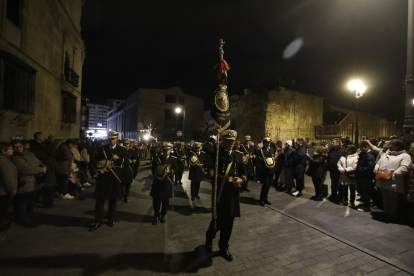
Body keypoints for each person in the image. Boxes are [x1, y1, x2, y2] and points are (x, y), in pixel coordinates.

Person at [204, 127, 247, 261]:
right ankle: (209, 239)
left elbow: (245, 173)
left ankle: (223, 248)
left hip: (233, 194)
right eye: (228, 140)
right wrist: (215, 135)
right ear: (222, 141)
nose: (231, 143)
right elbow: (207, 147)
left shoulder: (238, 155)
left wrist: (242, 180)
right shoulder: (217, 152)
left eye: (232, 141)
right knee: (217, 222)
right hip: (220, 192)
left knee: (229, 224)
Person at [90, 131, 126, 231]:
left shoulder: (122, 149)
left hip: (115, 177)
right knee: (100, 200)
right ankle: (98, 221)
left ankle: (110, 219)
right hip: (104, 177)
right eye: (110, 139)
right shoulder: (102, 149)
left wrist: (118, 159)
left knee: (113, 200)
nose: (111, 140)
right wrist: (103, 163)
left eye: (113, 139)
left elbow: (126, 162)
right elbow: (95, 162)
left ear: (116, 139)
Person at [10, 140, 47, 223]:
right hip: (25, 182)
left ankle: (29, 213)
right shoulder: (15, 158)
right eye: (15, 147)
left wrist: (43, 166)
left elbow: (38, 161)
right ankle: (21, 216)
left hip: (33, 181)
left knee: (31, 199)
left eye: (19, 146)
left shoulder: (29, 154)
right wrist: (41, 169)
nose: (18, 148)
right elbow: (26, 169)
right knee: (23, 201)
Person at [374, 139, 411, 220]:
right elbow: (378, 162)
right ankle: (385, 212)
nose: (390, 146)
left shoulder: (405, 156)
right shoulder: (386, 153)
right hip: (382, 179)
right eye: (390, 144)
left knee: (393, 199)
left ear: (399, 146)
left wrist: (392, 175)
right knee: (385, 197)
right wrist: (377, 169)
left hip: (393, 181)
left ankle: (391, 214)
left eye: (393, 145)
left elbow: (404, 167)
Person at [150, 143, 177, 224]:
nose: (166, 151)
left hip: (167, 182)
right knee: (156, 201)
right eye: (164, 150)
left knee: (165, 201)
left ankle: (163, 215)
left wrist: (170, 171)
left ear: (170, 150)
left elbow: (176, 169)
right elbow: (152, 170)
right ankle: (156, 215)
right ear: (162, 150)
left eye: (168, 150)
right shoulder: (157, 158)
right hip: (158, 182)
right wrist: (159, 169)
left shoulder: (173, 159)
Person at [0, 143, 18, 239]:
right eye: (10, 149)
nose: (13, 150)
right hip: (2, 191)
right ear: (4, 151)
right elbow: (9, 178)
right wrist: (13, 190)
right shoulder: (5, 162)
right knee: (2, 210)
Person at [355, 141, 376, 212]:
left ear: (368, 147)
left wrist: (360, 170)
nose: (363, 148)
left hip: (366, 177)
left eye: (365, 147)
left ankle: (367, 206)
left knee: (366, 192)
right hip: (361, 176)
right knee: (361, 190)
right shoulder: (362, 154)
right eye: (362, 147)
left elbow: (370, 167)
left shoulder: (369, 156)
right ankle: (365, 203)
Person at [258, 137, 275, 206]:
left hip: (271, 170)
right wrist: (265, 160)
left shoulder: (272, 149)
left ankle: (265, 198)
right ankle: (261, 199)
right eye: (267, 142)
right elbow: (259, 159)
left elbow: (273, 158)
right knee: (265, 185)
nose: (269, 143)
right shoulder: (261, 150)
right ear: (264, 143)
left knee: (269, 185)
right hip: (265, 169)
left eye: (269, 142)